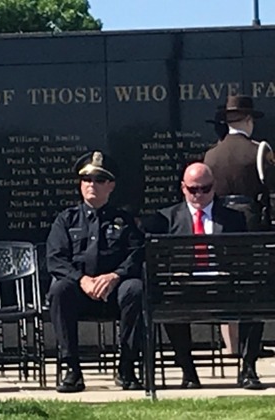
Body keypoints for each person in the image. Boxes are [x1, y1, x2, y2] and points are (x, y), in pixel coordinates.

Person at [146, 162, 265, 390]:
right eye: (193, 189)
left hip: (224, 286)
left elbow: (246, 258)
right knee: (169, 300)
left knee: (256, 298)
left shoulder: (233, 218)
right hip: (186, 287)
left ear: (214, 187)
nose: (199, 194)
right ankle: (188, 372)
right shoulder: (167, 218)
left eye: (205, 188)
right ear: (183, 188)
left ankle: (248, 369)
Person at [46, 151, 145, 393]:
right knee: (59, 289)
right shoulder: (66, 219)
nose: (92, 185)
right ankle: (72, 371)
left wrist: (115, 276)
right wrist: (82, 280)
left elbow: (137, 254)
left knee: (135, 289)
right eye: (87, 180)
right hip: (80, 293)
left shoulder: (123, 220)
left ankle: (127, 368)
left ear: (111, 185)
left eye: (99, 180)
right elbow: (55, 259)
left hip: (114, 293)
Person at [204, 95, 275, 231]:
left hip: (221, 226)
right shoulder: (261, 150)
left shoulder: (210, 155)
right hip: (252, 225)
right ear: (249, 120)